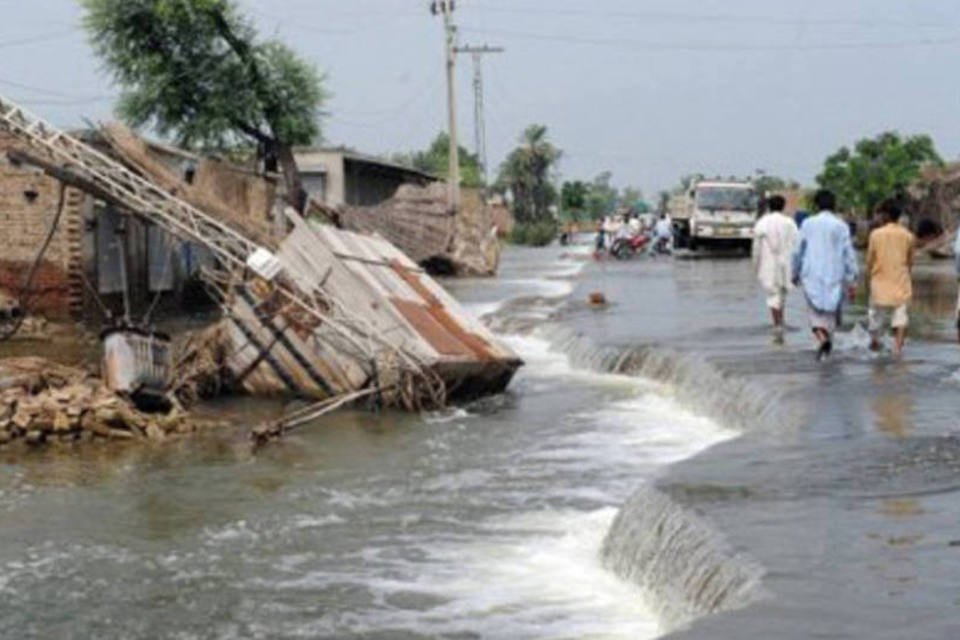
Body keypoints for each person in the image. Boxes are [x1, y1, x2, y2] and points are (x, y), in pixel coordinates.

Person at [792, 189, 858, 360]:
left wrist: (795, 272)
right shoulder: (841, 225)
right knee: (830, 313)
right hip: (835, 274)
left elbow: (797, 251)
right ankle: (828, 345)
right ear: (834, 205)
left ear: (816, 205)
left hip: (811, 274)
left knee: (815, 314)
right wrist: (852, 279)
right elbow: (849, 254)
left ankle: (822, 339)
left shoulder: (807, 223)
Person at [865, 200, 915, 355]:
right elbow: (910, 262)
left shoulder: (875, 235)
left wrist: (868, 278)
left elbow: (870, 261)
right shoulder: (908, 236)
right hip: (901, 283)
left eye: (879, 214)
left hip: (879, 284)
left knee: (876, 321)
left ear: (884, 215)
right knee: (900, 320)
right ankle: (897, 350)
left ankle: (875, 344)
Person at [752, 195, 799, 342]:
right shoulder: (789, 222)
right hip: (786, 263)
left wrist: (755, 266)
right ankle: (781, 323)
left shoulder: (762, 223)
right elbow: (797, 245)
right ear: (783, 206)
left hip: (769, 264)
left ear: (768, 206)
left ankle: (777, 324)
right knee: (781, 294)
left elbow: (756, 249)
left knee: (773, 295)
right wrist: (797, 267)